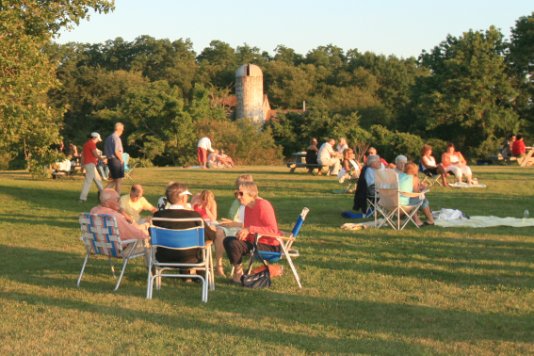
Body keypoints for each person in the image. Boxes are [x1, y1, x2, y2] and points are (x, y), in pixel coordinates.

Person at [152, 183, 218, 274]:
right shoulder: (194, 216)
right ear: (183, 198)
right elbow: (211, 235)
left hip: (164, 257)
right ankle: (199, 273)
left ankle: (187, 275)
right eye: (186, 196)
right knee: (206, 240)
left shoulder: (158, 216)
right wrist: (213, 230)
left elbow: (152, 234)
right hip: (191, 258)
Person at [223, 181, 281, 283]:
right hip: (255, 242)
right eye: (236, 193)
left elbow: (273, 231)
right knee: (229, 240)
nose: (238, 197)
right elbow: (249, 229)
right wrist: (243, 235)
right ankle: (239, 272)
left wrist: (249, 229)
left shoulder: (263, 205)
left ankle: (238, 275)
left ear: (251, 194)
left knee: (233, 243)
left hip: (270, 246)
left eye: (241, 194)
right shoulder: (247, 208)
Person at [79, 132, 104, 203]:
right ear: (94, 138)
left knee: (98, 180)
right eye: (97, 139)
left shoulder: (86, 144)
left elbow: (83, 156)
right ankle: (82, 198)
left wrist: (82, 165)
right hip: (90, 164)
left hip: (89, 164)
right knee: (88, 181)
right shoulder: (92, 144)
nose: (98, 141)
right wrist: (102, 159)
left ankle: (104, 196)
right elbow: (95, 155)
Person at [104, 122, 125, 193]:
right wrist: (121, 160)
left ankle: (102, 192)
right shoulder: (116, 138)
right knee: (118, 181)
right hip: (116, 161)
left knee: (115, 180)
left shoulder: (108, 138)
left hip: (110, 160)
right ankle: (117, 198)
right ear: (119, 129)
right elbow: (116, 151)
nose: (123, 131)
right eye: (122, 129)